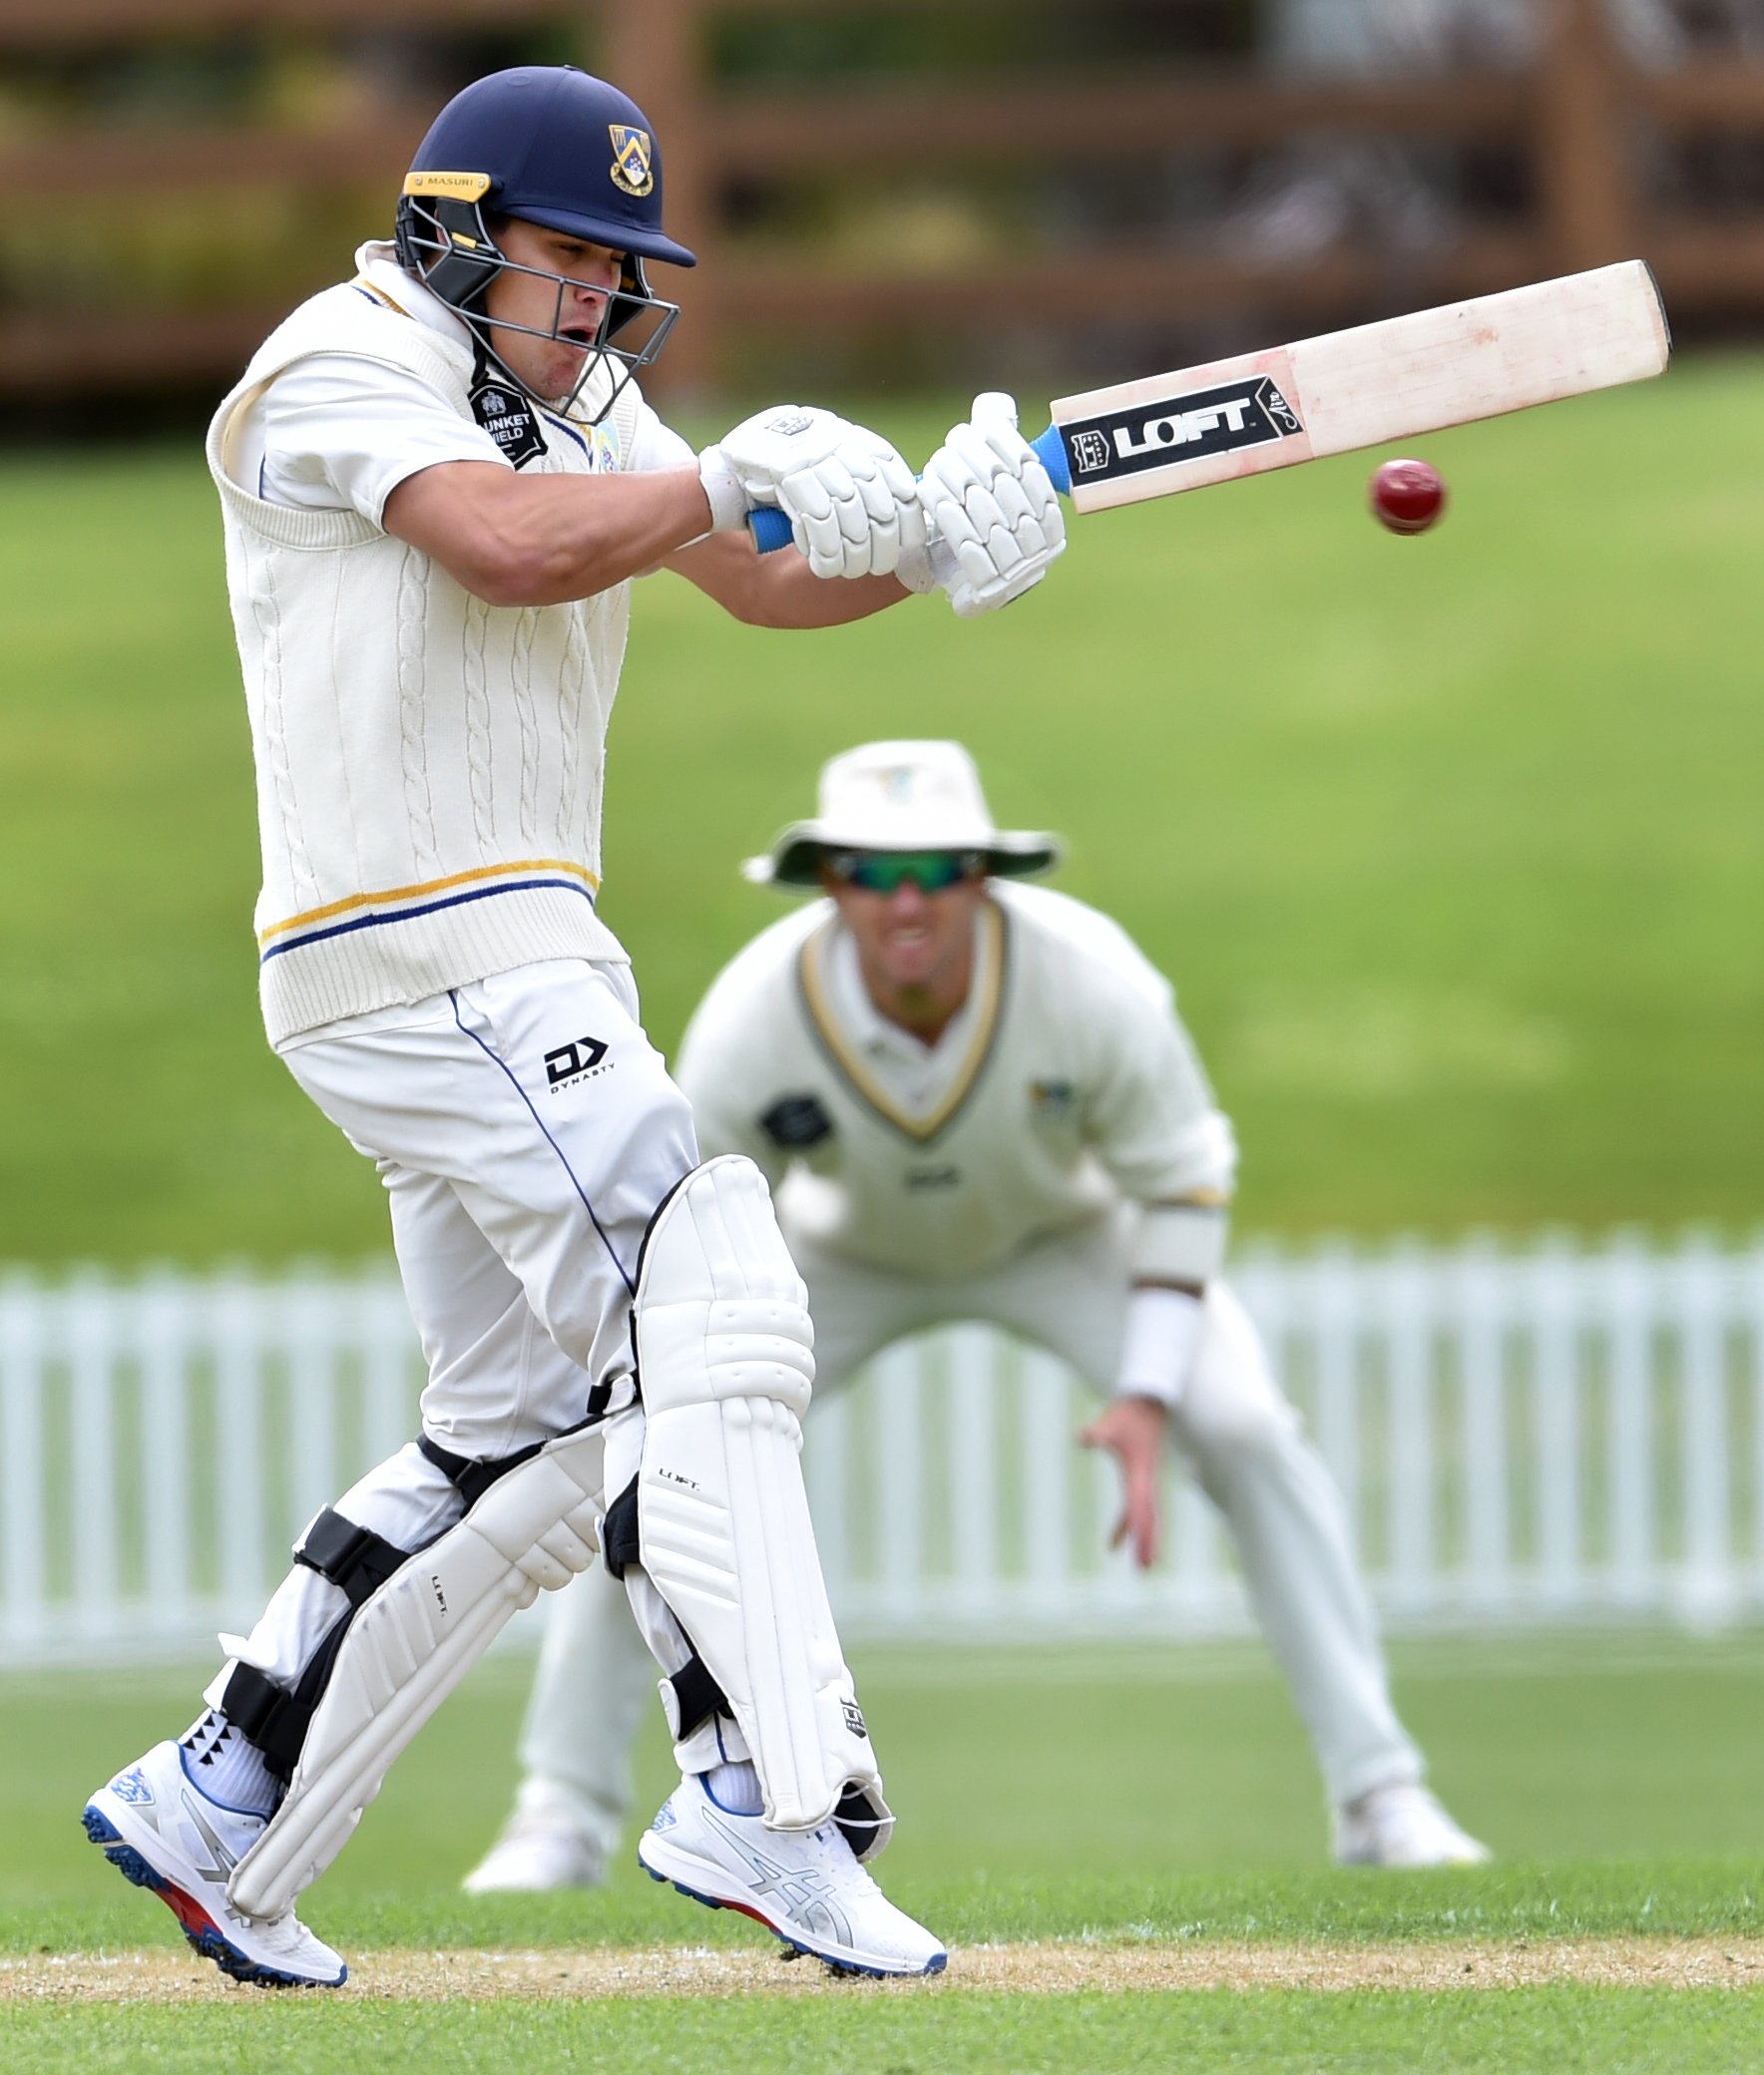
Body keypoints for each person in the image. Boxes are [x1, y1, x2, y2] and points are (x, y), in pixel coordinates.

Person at [79, 68, 1065, 1988]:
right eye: (572, 264)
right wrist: (720, 472)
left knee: (525, 1437)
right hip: (415, 936)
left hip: (519, 944)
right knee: (710, 1285)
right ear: (455, 238)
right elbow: (507, 545)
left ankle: (228, 1802)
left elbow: (755, 577)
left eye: (627, 275)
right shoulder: (338, 363)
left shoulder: (577, 393)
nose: (605, 307)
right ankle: (773, 1803)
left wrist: (946, 538)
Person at [463, 739, 1491, 1894]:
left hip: (1064, 1236)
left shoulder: (1091, 982)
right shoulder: (760, 1013)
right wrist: (687, 1401)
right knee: (654, 1468)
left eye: (940, 868)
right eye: (876, 871)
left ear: (983, 879)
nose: (909, 900)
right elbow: (684, 1219)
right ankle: (559, 1814)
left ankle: (1381, 1792)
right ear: (833, 881)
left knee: (1247, 1430)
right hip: (833, 1253)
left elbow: (1182, 1181)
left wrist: (1148, 1393)